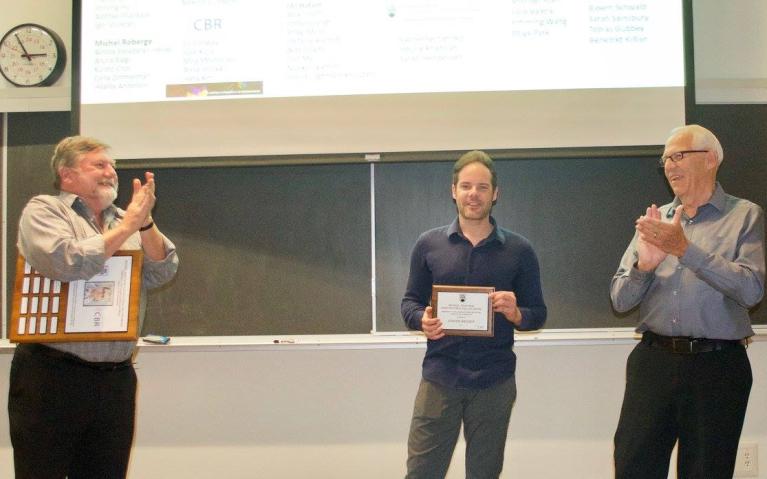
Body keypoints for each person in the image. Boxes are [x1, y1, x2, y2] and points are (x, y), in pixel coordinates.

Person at [8, 136, 179, 478]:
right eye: (98, 165)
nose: (110, 172)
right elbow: (66, 262)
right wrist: (129, 226)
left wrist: (143, 223)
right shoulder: (45, 210)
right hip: (52, 377)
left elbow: (163, 269)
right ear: (66, 174)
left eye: (112, 166)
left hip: (115, 381)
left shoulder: (124, 219)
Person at [610, 124, 765, 479]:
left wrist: (685, 250)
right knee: (633, 465)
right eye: (665, 159)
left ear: (710, 159)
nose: (669, 165)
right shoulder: (654, 221)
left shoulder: (744, 216)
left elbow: (752, 290)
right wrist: (643, 268)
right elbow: (619, 299)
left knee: (707, 470)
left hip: (718, 366)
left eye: (678, 156)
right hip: (654, 363)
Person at [401, 150, 547, 478]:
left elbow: (537, 313)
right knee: (422, 472)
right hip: (439, 378)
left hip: (494, 382)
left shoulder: (519, 251)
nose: (473, 194)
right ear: (454, 190)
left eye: (482, 187)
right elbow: (409, 302)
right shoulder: (428, 245)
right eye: (466, 186)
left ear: (495, 194)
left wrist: (516, 313)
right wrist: (421, 320)